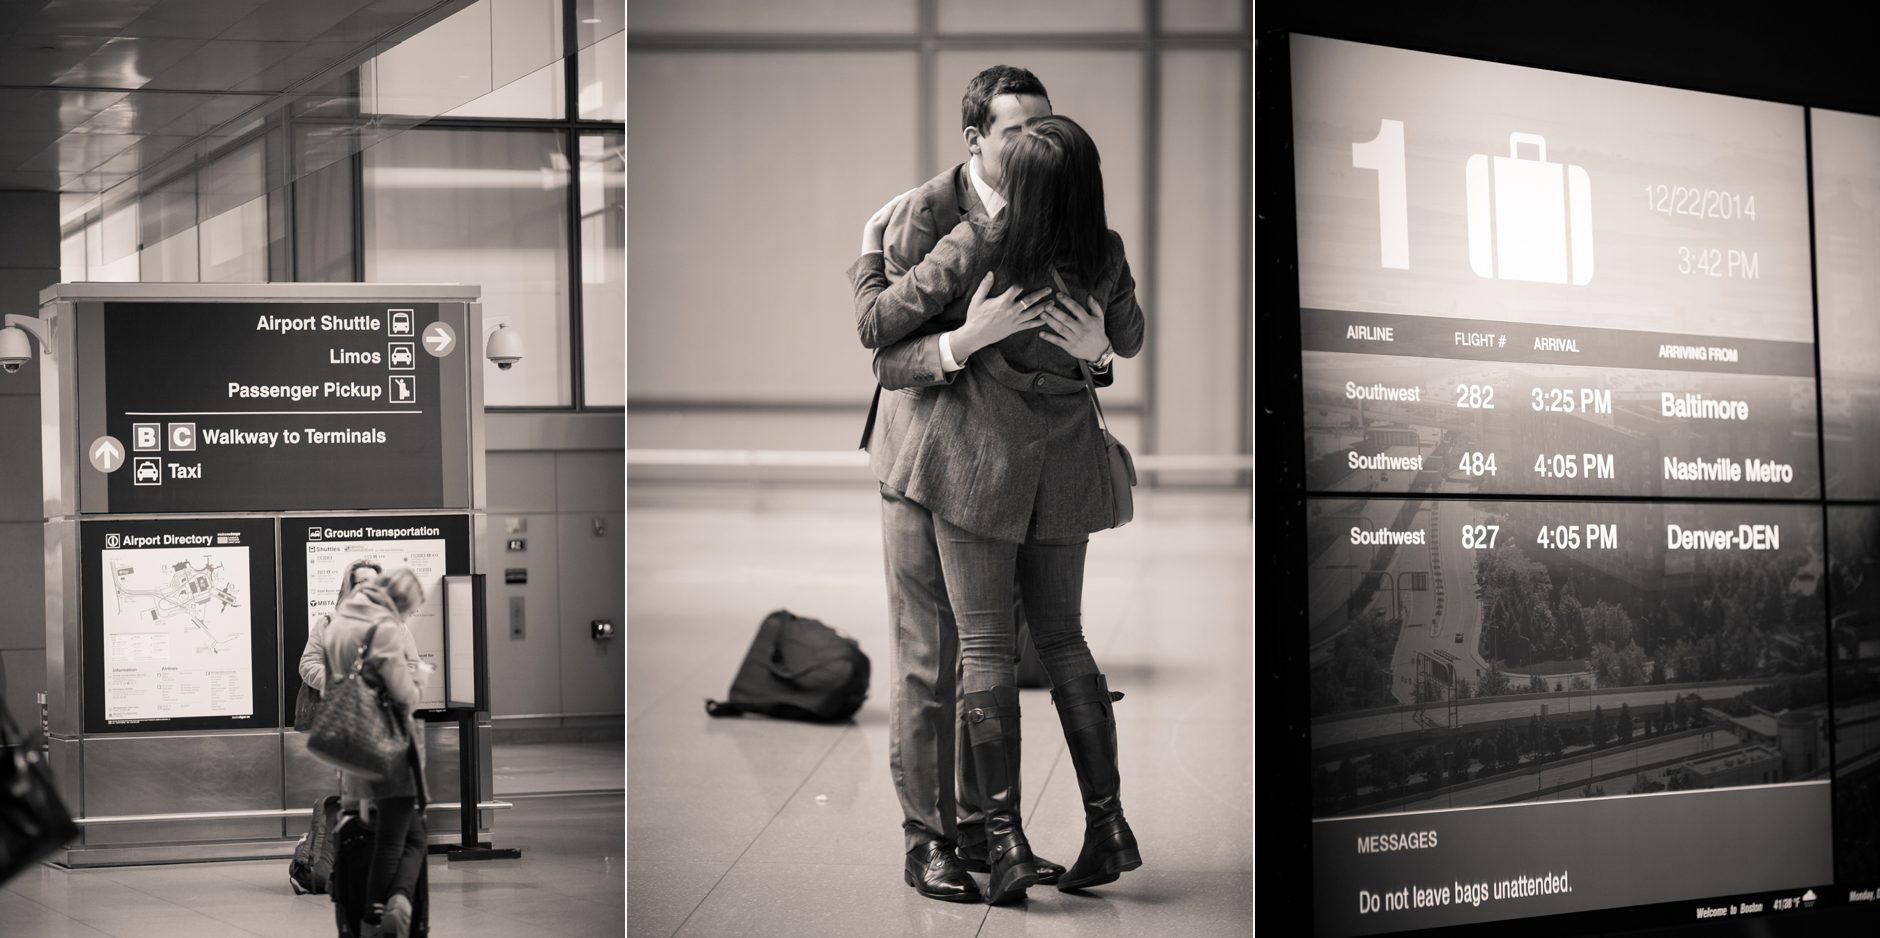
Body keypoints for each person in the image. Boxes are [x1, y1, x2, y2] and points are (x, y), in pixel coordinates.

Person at [849, 113, 1145, 904]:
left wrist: (871, 251)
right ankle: (1109, 825)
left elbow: (876, 325)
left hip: (978, 468)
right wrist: (1097, 344)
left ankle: (1004, 842)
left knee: (982, 646)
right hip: (1067, 471)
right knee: (1065, 639)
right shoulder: (1105, 250)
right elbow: (1130, 337)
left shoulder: (979, 243)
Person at [318, 569, 429, 938]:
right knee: (400, 840)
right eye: (410, 608)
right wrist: (419, 680)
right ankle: (382, 911)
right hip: (387, 745)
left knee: (398, 834)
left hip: (354, 744)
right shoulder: (383, 629)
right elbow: (404, 695)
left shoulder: (338, 625)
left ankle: (385, 908)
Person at [299, 559, 384, 715]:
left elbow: (410, 664)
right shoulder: (328, 624)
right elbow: (308, 664)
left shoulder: (395, 626)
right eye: (364, 582)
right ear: (350, 588)